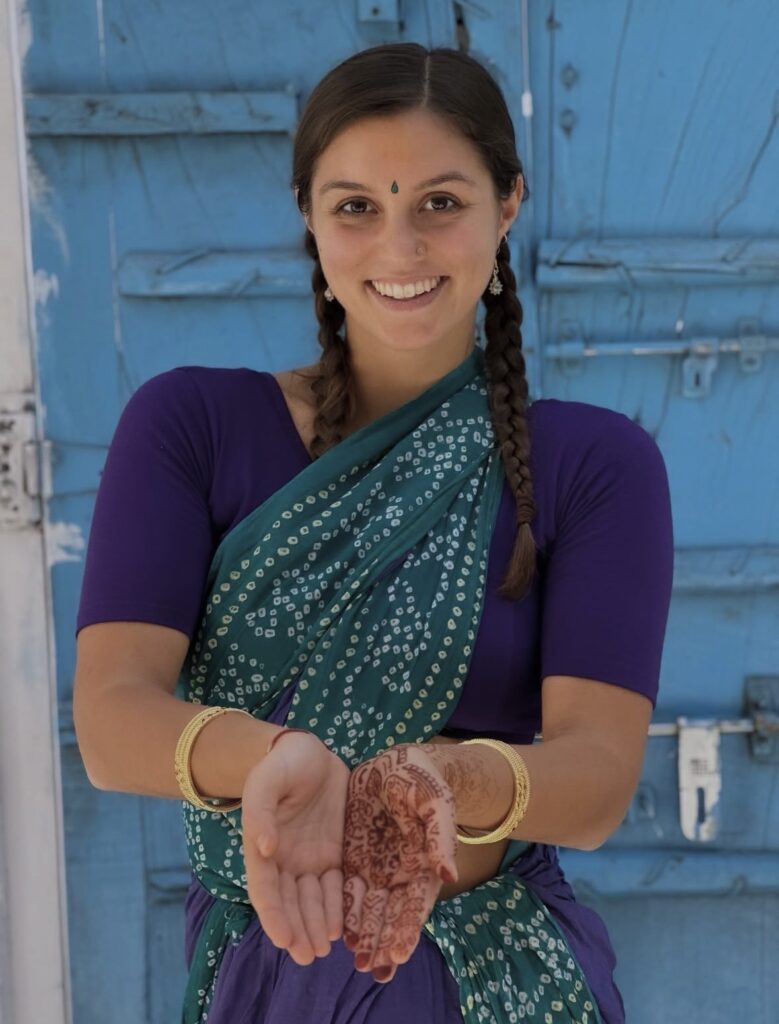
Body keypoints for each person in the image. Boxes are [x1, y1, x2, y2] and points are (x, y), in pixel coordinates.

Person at [73, 42, 674, 1024]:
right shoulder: (191, 427)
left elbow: (598, 776)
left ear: (506, 206)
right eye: (355, 205)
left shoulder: (592, 464)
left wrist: (446, 777)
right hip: (270, 971)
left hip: (500, 975)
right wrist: (275, 759)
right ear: (308, 215)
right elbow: (110, 718)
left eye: (439, 202)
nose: (400, 247)